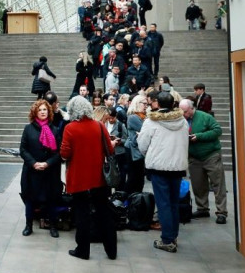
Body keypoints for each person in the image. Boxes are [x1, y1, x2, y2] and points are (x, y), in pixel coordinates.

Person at [60, 96, 119, 260]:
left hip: (79, 178)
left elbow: (64, 153)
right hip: (99, 177)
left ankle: (83, 250)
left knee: (82, 215)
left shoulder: (70, 128)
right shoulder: (99, 126)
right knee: (104, 213)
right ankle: (111, 251)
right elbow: (110, 149)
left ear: (72, 111)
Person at [136, 91, 189, 253]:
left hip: (159, 167)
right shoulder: (182, 120)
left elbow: (142, 144)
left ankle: (167, 239)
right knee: (173, 202)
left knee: (163, 204)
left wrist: (150, 153)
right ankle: (173, 235)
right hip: (178, 167)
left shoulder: (152, 121)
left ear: (157, 103)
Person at [179, 99, 228, 224]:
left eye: (185, 111)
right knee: (198, 185)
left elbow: (217, 130)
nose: (183, 114)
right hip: (194, 157)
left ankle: (221, 212)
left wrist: (199, 136)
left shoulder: (205, 117)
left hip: (210, 155)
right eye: (181, 111)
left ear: (191, 108)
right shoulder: (182, 119)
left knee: (218, 184)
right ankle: (202, 208)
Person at [19, 100, 63, 238]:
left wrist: (47, 163)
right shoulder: (28, 129)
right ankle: (28, 225)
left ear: (49, 112)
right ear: (35, 112)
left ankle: (53, 226)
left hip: (49, 172)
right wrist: (33, 163)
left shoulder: (55, 130)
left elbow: (59, 152)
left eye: (45, 109)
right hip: (32, 171)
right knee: (30, 199)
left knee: (51, 199)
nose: (43, 112)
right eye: (40, 110)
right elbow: (23, 149)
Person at [125, 94, 148, 194]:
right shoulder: (133, 117)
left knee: (139, 178)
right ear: (137, 104)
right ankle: (131, 201)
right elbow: (147, 130)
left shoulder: (143, 116)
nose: (147, 106)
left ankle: (137, 200)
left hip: (138, 151)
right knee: (134, 178)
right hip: (133, 151)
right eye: (144, 104)